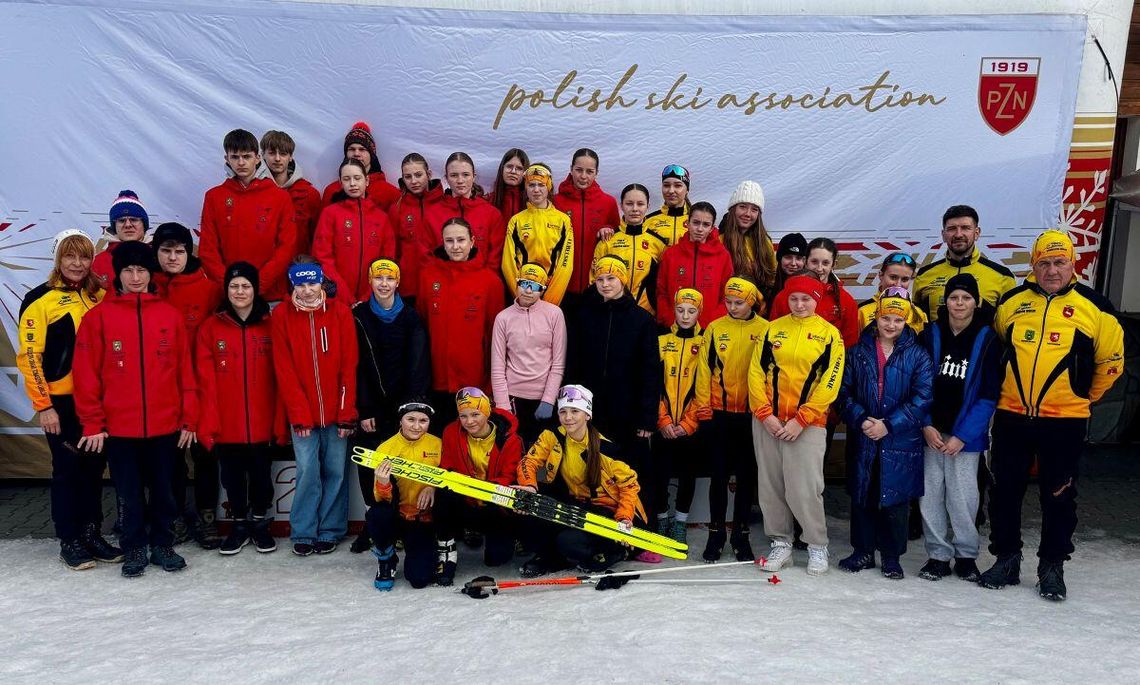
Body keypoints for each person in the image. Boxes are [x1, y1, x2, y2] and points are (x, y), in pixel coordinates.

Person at [980, 230, 1124, 601]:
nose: (1052, 270)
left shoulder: (1096, 307)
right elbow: (996, 350)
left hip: (1065, 420)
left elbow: (1112, 362)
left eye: (1059, 262)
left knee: (1059, 494)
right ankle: (1006, 558)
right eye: (1044, 262)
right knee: (1004, 492)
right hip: (1012, 416)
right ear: (1033, 266)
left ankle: (1052, 566)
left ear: (1072, 264)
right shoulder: (1013, 302)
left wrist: (1082, 397)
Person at [73, 241, 198, 578]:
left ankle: (162, 544)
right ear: (119, 274)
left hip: (165, 425)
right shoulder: (99, 317)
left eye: (141, 269)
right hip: (119, 428)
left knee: (165, 492)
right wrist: (93, 423)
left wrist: (189, 419)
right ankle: (134, 548)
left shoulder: (168, 315)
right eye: (128, 270)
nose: (135, 276)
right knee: (128, 495)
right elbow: (86, 375)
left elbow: (185, 371)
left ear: (150, 273)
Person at [17, 229, 119, 570]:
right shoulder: (39, 299)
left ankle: (92, 534)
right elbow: (30, 356)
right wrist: (44, 406)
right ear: (57, 258)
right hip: (60, 404)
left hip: (97, 402)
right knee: (67, 471)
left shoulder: (100, 295)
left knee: (94, 470)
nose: (77, 263)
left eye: (84, 256)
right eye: (69, 256)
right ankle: (69, 538)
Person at [749, 275, 845, 576]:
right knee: (771, 486)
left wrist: (801, 420)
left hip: (808, 425)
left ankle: (817, 545)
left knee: (805, 488)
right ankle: (781, 543)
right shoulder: (772, 330)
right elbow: (755, 372)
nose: (800, 304)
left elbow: (830, 382)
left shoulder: (829, 335)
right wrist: (765, 414)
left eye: (806, 299)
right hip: (769, 422)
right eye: (794, 298)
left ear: (816, 300)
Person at [836, 288, 933, 580]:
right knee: (863, 493)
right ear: (876, 317)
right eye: (885, 318)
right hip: (865, 433)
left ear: (907, 323)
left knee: (896, 498)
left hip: (900, 437)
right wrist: (862, 419)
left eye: (898, 320)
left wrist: (889, 425)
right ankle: (863, 550)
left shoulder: (918, 355)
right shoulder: (857, 352)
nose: (891, 325)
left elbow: (923, 397)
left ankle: (892, 556)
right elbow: (843, 392)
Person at [916, 274, 1001, 582]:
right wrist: (925, 424)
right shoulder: (931, 334)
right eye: (954, 297)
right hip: (932, 433)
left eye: (966, 298)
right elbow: (919, 384)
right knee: (930, 495)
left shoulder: (988, 338)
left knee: (964, 497)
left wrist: (964, 435)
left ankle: (966, 555)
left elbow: (989, 394)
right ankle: (937, 554)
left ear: (976, 302)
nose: (960, 303)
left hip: (966, 437)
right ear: (946, 301)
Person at [565, 256, 660, 529]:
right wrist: (571, 405)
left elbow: (650, 371)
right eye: (600, 279)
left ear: (623, 280)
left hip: (628, 412)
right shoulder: (584, 315)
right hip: (592, 411)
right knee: (594, 470)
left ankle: (642, 529)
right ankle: (601, 527)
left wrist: (647, 417)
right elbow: (574, 361)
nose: (605, 284)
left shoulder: (642, 320)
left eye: (611, 279)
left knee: (632, 471)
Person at [196, 261, 283, 555]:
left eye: (246, 285)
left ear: (255, 289)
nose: (240, 291)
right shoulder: (211, 326)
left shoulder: (271, 323)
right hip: (227, 421)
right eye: (234, 286)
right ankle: (239, 524)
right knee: (231, 478)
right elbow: (204, 379)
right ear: (226, 289)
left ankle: (260, 522)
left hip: (262, 420)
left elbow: (282, 374)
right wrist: (208, 419)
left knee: (261, 476)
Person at [272, 261, 358, 556]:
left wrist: (347, 412)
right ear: (292, 286)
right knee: (308, 470)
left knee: (335, 470)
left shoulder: (340, 312)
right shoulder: (281, 315)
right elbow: (284, 370)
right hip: (303, 416)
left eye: (312, 284)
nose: (307, 291)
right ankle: (304, 530)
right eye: (300, 285)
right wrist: (298, 414)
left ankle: (331, 529)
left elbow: (349, 365)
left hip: (337, 413)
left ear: (322, 284)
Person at [516, 384, 645, 576]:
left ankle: (616, 551)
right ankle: (551, 559)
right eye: (563, 411)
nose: (568, 418)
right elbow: (528, 462)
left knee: (569, 542)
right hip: (576, 505)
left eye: (575, 411)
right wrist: (529, 486)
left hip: (610, 511)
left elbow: (630, 486)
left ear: (587, 415)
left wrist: (624, 518)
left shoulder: (605, 449)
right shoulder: (552, 436)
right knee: (528, 510)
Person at [349, 258, 430, 553]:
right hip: (372, 408)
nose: (384, 284)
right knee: (370, 466)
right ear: (370, 281)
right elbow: (354, 365)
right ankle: (374, 524)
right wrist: (364, 408)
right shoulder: (359, 316)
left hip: (402, 407)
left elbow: (419, 362)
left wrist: (412, 408)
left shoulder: (411, 317)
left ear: (398, 283)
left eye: (390, 279)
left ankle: (401, 523)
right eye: (378, 278)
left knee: (401, 466)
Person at [151, 222, 223, 549]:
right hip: (160, 389)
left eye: (179, 251)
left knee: (205, 453)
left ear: (188, 252)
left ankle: (207, 515)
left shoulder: (207, 288)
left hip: (202, 385)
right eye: (166, 251)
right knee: (169, 458)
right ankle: (175, 514)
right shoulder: (144, 285)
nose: (172, 257)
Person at [696, 277, 769, 562]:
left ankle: (741, 534)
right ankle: (716, 533)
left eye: (739, 303)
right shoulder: (715, 328)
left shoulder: (765, 329)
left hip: (752, 417)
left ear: (752, 302)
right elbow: (704, 371)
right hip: (720, 415)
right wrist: (704, 409)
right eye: (728, 302)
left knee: (747, 477)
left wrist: (765, 410)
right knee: (718, 476)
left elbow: (769, 371)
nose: (733, 307)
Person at [416, 218, 504, 429]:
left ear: (472, 241)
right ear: (442, 243)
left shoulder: (490, 281)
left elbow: (496, 337)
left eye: (461, 240)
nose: (455, 246)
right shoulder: (428, 276)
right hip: (436, 379)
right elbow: (421, 327)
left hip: (473, 379)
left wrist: (490, 384)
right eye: (449, 241)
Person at [433, 388, 525, 585]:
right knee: (443, 491)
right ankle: (446, 553)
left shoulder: (510, 439)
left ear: (487, 412)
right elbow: (447, 466)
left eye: (475, 414)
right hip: (464, 501)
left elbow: (508, 477)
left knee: (497, 559)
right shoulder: (451, 431)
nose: (469, 421)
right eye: (463, 416)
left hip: (493, 505)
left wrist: (482, 491)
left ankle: (508, 536)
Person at [199, 129, 296, 301]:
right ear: (227, 159)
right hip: (229, 295)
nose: (241, 162)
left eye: (247, 156)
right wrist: (231, 286)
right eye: (235, 157)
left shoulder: (280, 197)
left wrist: (259, 284)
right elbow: (208, 249)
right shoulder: (214, 197)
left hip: (270, 295)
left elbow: (286, 247)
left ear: (258, 158)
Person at [367, 401, 443, 590]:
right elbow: (380, 500)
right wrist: (383, 484)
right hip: (397, 514)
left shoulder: (437, 443)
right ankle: (386, 558)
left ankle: (428, 549)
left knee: (419, 579)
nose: (417, 426)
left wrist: (432, 487)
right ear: (401, 421)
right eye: (411, 419)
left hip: (422, 518)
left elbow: (447, 478)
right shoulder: (386, 448)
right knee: (377, 514)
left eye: (423, 420)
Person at [490, 263, 567, 444]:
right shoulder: (503, 318)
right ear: (517, 284)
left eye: (535, 287)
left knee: (541, 454)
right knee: (515, 449)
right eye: (524, 284)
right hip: (513, 398)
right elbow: (498, 365)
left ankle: (540, 475)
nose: (528, 291)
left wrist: (549, 399)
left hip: (543, 399)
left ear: (543, 290)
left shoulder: (555, 314)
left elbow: (558, 363)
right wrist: (503, 405)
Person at [653, 288, 705, 544]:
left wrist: (688, 423)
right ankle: (662, 518)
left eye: (691, 311)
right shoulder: (661, 340)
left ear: (699, 313)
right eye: (680, 310)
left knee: (688, 474)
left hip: (689, 426)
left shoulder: (705, 342)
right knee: (659, 473)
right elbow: (651, 384)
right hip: (663, 425)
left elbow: (705, 386)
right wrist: (662, 420)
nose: (685, 316)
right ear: (673, 310)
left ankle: (681, 522)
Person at [914, 205, 1017, 324]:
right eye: (952, 228)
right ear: (943, 234)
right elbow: (915, 324)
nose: (958, 234)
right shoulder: (924, 275)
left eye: (965, 228)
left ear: (977, 233)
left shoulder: (1003, 276)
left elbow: (1008, 327)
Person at [312, 158, 397, 303]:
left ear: (367, 180)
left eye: (357, 178)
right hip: (337, 299)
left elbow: (387, 260)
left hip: (372, 300)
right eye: (347, 179)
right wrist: (344, 295)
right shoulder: (330, 213)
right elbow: (322, 257)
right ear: (340, 182)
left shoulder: (381, 218)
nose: (352, 183)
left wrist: (368, 297)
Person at [551, 148, 620, 313]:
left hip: (596, 286)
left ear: (596, 173)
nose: (583, 176)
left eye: (589, 171)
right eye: (579, 170)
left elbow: (618, 236)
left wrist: (609, 228)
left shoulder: (608, 202)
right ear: (571, 169)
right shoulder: (555, 201)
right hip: (562, 285)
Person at [501, 163, 574, 305]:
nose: (536, 190)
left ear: (549, 186)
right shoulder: (516, 221)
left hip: (551, 294)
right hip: (523, 292)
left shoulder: (563, 221)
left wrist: (550, 302)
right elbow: (507, 263)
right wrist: (521, 296)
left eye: (541, 185)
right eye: (531, 185)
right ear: (525, 188)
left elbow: (566, 264)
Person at [592, 183, 668, 315]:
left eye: (640, 204)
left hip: (646, 313)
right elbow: (594, 279)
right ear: (621, 205)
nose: (635, 209)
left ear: (648, 207)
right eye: (629, 203)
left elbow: (663, 282)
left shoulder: (658, 243)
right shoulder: (607, 240)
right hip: (612, 311)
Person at [655, 201, 733, 328]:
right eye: (696, 222)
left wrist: (712, 323)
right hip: (673, 328)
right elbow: (661, 292)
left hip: (708, 329)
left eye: (706, 224)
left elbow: (727, 295)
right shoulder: (671, 254)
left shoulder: (723, 255)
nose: (700, 229)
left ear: (712, 228)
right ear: (688, 223)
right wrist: (669, 319)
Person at [424, 152, 507, 270]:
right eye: (454, 175)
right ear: (446, 178)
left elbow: (495, 258)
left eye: (465, 175)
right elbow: (426, 256)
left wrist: (485, 283)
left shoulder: (491, 214)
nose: (460, 180)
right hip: (443, 283)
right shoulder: (432, 214)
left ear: (474, 176)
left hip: (479, 284)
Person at [388, 153, 444, 307]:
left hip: (441, 283)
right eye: (408, 177)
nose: (413, 181)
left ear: (429, 174)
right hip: (409, 287)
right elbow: (393, 250)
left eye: (418, 175)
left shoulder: (445, 204)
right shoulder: (397, 209)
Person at [261, 130, 323, 255]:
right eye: (272, 153)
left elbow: (318, 238)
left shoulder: (310, 194)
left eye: (283, 154)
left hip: (298, 267)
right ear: (262, 155)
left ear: (290, 157)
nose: (277, 159)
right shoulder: (255, 192)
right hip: (264, 267)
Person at [320, 121, 400, 211]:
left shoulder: (390, 193)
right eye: (352, 149)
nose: (356, 153)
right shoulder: (331, 191)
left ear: (372, 154)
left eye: (362, 149)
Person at [720, 180, 776, 304]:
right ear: (733, 209)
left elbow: (772, 278)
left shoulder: (765, 242)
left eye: (754, 209)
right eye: (743, 207)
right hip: (727, 307)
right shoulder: (719, 240)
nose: (748, 214)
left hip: (758, 310)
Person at [92, 190, 151, 289]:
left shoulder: (158, 257)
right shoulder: (98, 262)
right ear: (114, 226)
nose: (128, 225)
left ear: (144, 224)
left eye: (134, 219)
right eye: (122, 220)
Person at [857, 252, 929, 332]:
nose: (898, 284)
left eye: (904, 279)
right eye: (893, 277)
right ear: (881, 275)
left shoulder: (918, 312)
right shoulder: (862, 311)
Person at [643, 164, 691, 246]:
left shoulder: (698, 221)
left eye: (678, 185)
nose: (671, 190)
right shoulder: (647, 221)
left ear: (687, 190)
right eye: (666, 185)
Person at [486, 148, 530, 222]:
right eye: (509, 166)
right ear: (502, 168)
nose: (513, 171)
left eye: (519, 168)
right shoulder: (488, 201)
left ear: (525, 173)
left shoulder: (532, 202)